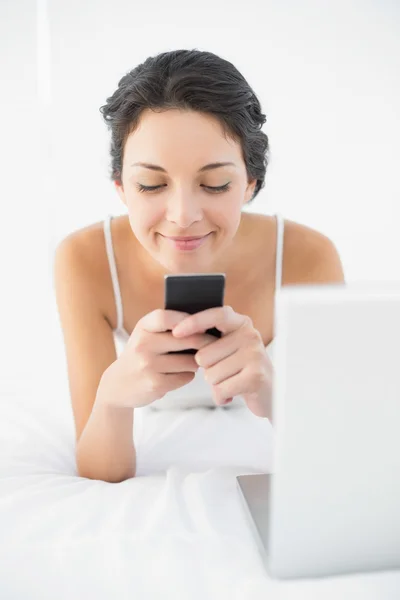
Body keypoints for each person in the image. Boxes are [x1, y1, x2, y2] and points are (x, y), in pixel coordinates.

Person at [53, 49, 345, 483]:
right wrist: (112, 400)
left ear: (249, 183)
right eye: (151, 185)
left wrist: (274, 395)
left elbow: (336, 452)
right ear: (121, 187)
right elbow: (99, 469)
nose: (183, 214)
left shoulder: (309, 259)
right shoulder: (85, 260)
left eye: (215, 184)